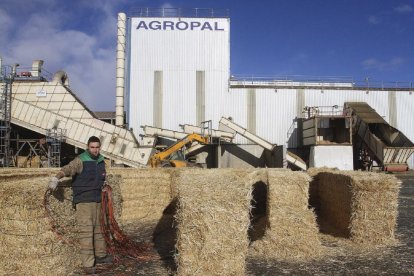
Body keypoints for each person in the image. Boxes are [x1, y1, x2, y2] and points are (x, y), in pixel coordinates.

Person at [48, 136, 112, 275]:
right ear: (87, 147)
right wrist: (56, 178)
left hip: (98, 200)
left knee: (100, 229)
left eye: (97, 147)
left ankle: (101, 256)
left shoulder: (101, 161)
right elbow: (68, 169)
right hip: (84, 202)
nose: (95, 150)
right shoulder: (81, 160)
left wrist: (105, 185)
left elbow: (102, 177)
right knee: (87, 232)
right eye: (92, 147)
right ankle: (88, 265)